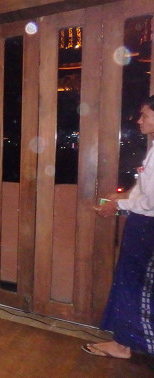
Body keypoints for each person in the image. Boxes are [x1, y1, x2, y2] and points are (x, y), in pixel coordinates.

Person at [84, 95, 154, 359]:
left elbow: (151, 202)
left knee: (134, 284)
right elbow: (146, 190)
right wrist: (123, 196)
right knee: (133, 282)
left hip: (148, 227)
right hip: (143, 224)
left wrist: (120, 206)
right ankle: (124, 342)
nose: (139, 120)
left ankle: (124, 344)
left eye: (144, 115)